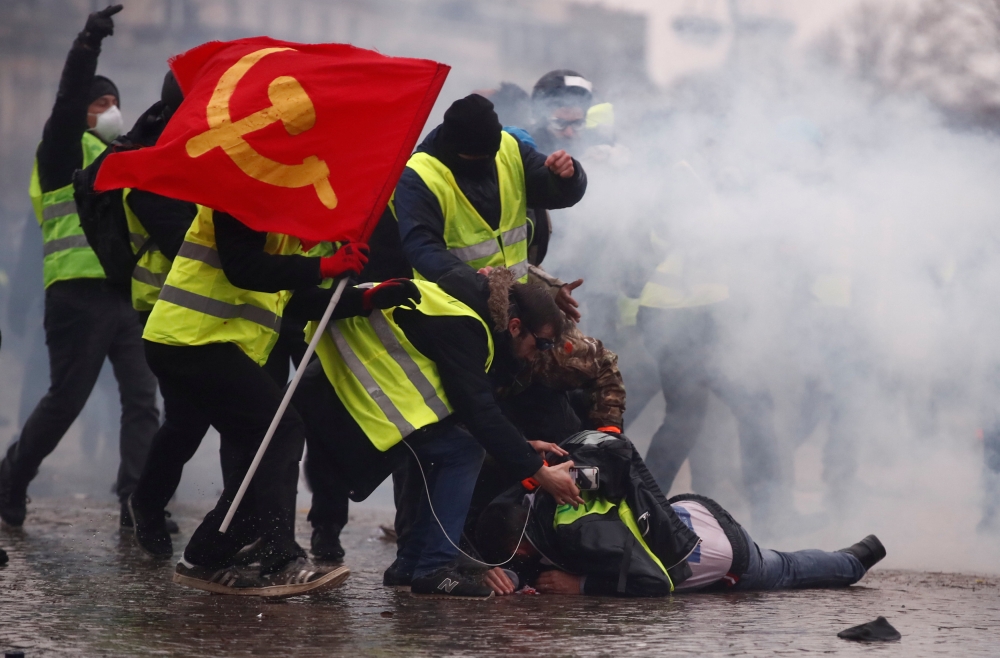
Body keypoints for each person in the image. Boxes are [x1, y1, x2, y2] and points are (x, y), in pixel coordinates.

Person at [296, 267, 585, 599]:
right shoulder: (466, 327)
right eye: (542, 343)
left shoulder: (466, 309)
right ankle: (432, 568)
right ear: (516, 326)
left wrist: (521, 444)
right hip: (346, 392)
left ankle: (411, 564)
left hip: (349, 387)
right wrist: (542, 474)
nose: (541, 353)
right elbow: (479, 412)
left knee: (445, 448)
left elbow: (466, 406)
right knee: (462, 452)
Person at [133, 200, 370, 597]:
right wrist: (324, 268)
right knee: (281, 429)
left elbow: (290, 299)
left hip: (205, 343)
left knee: (258, 453)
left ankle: (205, 556)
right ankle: (279, 558)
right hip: (193, 340)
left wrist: (364, 301)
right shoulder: (243, 198)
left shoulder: (281, 219)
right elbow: (244, 268)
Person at [0, 4, 162, 531]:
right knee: (66, 399)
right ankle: (12, 477)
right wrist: (87, 45)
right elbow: (67, 100)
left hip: (124, 296)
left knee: (142, 400)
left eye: (115, 101)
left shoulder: (123, 158)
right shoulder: (61, 153)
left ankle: (135, 501)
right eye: (100, 101)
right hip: (75, 296)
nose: (110, 108)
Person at [475, 431, 886, 597]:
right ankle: (853, 555)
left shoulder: (577, 536)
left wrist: (580, 585)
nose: (518, 561)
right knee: (782, 560)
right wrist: (510, 577)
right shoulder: (546, 495)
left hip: (717, 553)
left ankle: (855, 560)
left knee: (784, 570)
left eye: (515, 555)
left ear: (523, 544)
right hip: (681, 515)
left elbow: (653, 583)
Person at [393, 93, 585, 286]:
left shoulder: (508, 146)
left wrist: (567, 176)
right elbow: (423, 249)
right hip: (451, 306)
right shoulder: (418, 176)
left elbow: (553, 194)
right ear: (451, 147)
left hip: (514, 297)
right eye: (472, 159)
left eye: (488, 156)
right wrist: (478, 284)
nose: (481, 164)